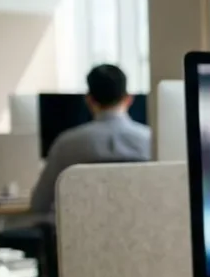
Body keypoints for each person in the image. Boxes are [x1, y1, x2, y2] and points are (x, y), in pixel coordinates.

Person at [29, 64, 151, 216]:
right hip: (141, 233)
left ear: (89, 100)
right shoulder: (151, 141)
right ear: (128, 99)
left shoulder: (66, 144)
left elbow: (39, 204)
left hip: (78, 236)